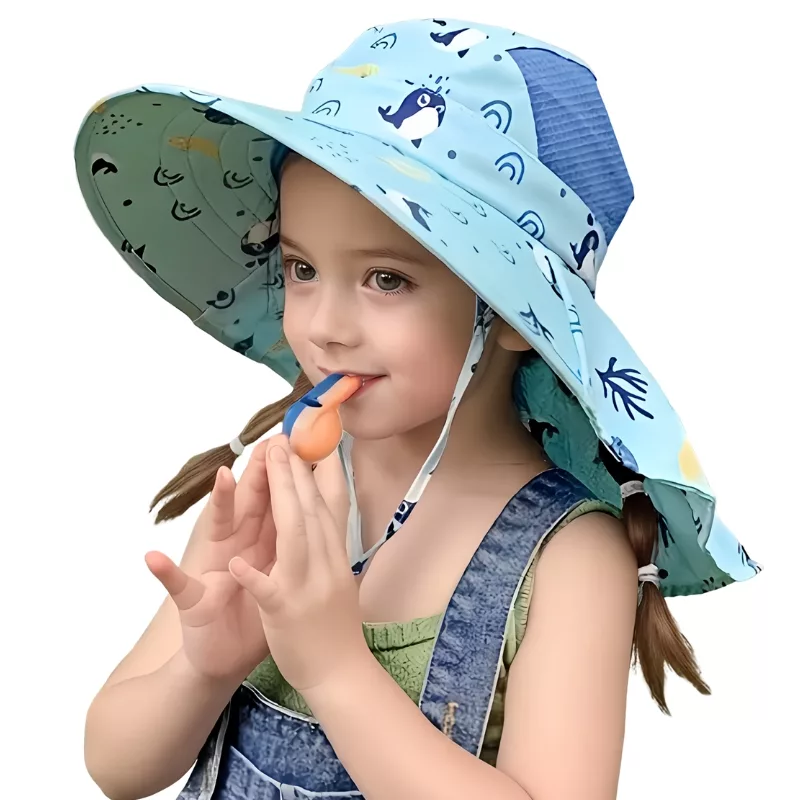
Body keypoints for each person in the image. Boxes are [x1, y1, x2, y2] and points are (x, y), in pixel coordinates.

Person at [74, 17, 761, 800]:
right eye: (301, 268)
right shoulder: (274, 489)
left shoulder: (571, 558)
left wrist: (335, 671)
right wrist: (201, 668)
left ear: (512, 312)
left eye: (386, 279)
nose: (325, 326)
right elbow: (113, 765)